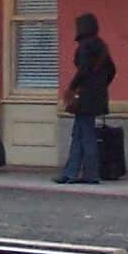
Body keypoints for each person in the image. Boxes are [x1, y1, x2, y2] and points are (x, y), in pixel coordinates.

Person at [54, 13, 116, 185]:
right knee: (81, 133)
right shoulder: (102, 46)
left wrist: (72, 87)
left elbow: (82, 70)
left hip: (85, 96)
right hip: (98, 96)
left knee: (83, 134)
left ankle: (81, 173)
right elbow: (112, 70)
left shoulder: (84, 47)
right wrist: (101, 85)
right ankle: (74, 172)